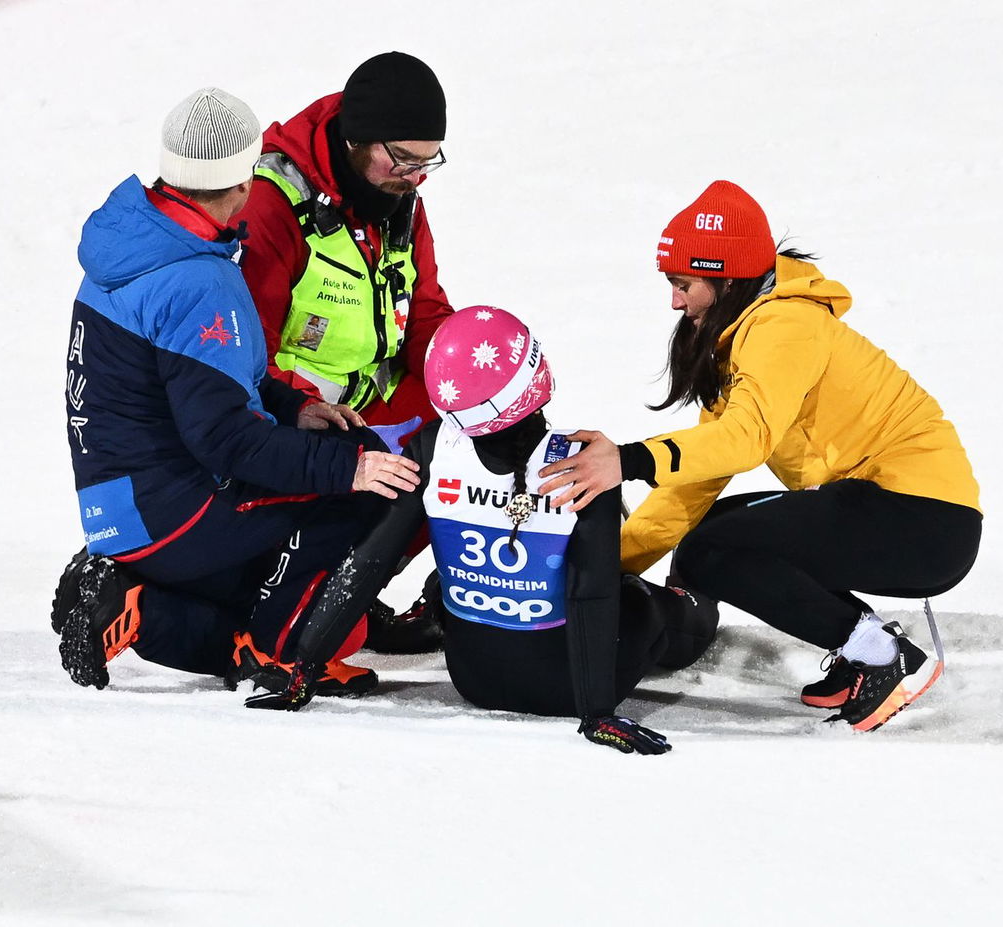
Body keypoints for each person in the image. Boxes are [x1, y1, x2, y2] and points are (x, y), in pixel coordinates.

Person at [537, 180, 983, 731]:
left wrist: (626, 461)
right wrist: (605, 568)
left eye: (684, 284)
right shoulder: (745, 329)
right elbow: (698, 478)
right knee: (713, 534)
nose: (674, 301)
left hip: (922, 520)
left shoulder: (784, 327)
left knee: (712, 552)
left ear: (725, 278)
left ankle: (880, 655)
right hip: (883, 505)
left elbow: (747, 439)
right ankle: (867, 647)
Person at [52, 87, 421, 695]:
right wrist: (349, 468)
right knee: (374, 497)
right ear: (245, 177)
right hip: (173, 512)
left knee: (270, 585)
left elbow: (202, 384)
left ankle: (138, 605)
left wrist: (294, 408)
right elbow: (225, 439)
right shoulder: (199, 279)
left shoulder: (135, 244)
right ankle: (284, 653)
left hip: (121, 508)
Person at [241, 306, 720, 755]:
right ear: (536, 376)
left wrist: (304, 669)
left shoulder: (430, 448)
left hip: (474, 679)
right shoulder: (585, 465)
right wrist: (597, 713)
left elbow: (367, 564)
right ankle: (692, 598)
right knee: (645, 602)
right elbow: (591, 594)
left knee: (441, 582)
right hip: (569, 688)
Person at [235, 51, 456, 652]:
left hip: (374, 413)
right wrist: (305, 409)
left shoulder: (396, 194)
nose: (417, 176)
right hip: (294, 420)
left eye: (427, 160)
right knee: (390, 474)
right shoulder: (273, 201)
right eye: (403, 159)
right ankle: (294, 592)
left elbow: (426, 312)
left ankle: (354, 589)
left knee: (468, 437)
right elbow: (247, 348)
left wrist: (481, 370)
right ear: (356, 139)